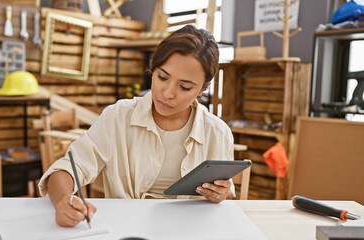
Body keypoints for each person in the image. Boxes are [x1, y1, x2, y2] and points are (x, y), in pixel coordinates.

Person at [38, 25, 235, 227]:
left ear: (203, 88)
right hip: (125, 229)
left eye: (184, 86)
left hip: (190, 232)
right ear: (153, 68)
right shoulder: (117, 118)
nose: (167, 93)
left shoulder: (217, 134)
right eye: (162, 77)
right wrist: (64, 202)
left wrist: (221, 194)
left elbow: (224, 200)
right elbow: (66, 169)